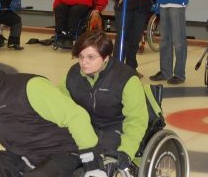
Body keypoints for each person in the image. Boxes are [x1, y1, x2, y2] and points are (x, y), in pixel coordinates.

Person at [59, 29, 149, 169]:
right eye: (81, 56)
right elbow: (61, 107)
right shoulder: (73, 74)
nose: (84, 62)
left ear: (106, 57)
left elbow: (136, 119)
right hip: (84, 127)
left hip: (115, 128)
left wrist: (127, 150)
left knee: (98, 156)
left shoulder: (126, 78)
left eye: (91, 57)